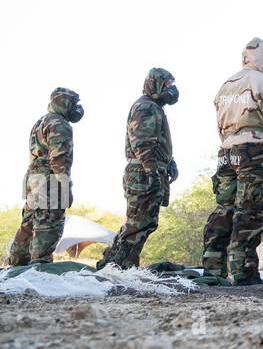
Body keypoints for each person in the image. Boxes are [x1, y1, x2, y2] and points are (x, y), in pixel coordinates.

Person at [202, 38, 263, 285]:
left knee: (224, 208)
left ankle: (212, 267)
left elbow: (219, 124)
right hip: (255, 151)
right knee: (250, 210)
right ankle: (244, 271)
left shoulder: (225, 86)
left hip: (227, 151)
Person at [97, 69, 179, 269]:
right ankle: (117, 266)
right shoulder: (146, 107)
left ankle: (116, 263)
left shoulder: (154, 108)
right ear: (156, 85)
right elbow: (141, 143)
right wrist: (151, 171)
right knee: (138, 224)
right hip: (143, 172)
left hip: (150, 169)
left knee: (142, 223)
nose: (173, 90)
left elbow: (155, 142)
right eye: (168, 85)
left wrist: (169, 162)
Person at [5, 88, 81, 266]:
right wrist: (65, 187)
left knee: (29, 222)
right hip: (50, 179)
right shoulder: (60, 124)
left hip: (34, 176)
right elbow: (59, 159)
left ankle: (16, 264)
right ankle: (40, 266)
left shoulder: (40, 122)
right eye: (74, 104)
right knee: (48, 224)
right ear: (65, 103)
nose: (76, 109)